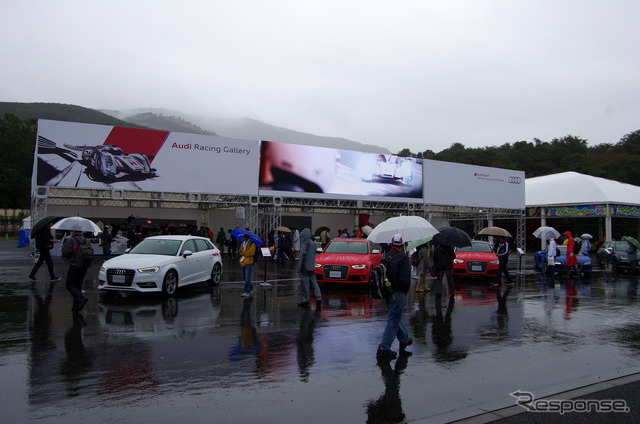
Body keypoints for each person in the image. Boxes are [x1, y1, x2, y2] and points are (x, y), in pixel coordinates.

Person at [376, 234, 413, 360]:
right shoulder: (403, 258)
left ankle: (404, 339)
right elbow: (405, 279)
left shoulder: (386, 256)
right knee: (393, 319)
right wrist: (404, 290)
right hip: (398, 292)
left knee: (394, 316)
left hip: (387, 291)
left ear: (392, 244)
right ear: (403, 245)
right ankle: (384, 347)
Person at [61, 226, 91, 311]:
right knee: (78, 285)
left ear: (73, 231)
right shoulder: (86, 240)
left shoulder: (71, 240)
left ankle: (80, 298)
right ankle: (76, 306)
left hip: (75, 265)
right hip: (84, 265)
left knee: (70, 285)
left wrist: (70, 257)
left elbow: (65, 252)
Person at [297, 228, 322, 309]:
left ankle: (306, 299)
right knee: (314, 283)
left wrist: (299, 267)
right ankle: (318, 298)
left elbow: (302, 256)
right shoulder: (312, 243)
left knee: (305, 284)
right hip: (312, 266)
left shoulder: (305, 243)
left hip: (305, 267)